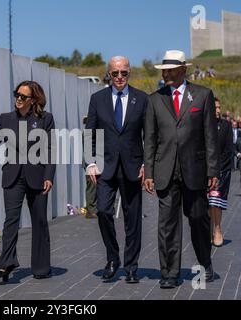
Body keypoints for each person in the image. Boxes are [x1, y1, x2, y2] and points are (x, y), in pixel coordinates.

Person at [144, 50, 219, 289]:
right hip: (165, 171)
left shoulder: (203, 95)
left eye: (170, 70)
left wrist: (213, 170)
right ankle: (169, 273)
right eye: (163, 70)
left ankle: (205, 262)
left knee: (198, 218)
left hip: (195, 170)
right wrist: (149, 172)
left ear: (183, 70)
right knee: (167, 224)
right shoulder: (154, 100)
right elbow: (151, 140)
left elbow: (210, 136)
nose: (165, 74)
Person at [0, 80, 55, 281]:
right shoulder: (6, 118)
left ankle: (42, 267)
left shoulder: (45, 119)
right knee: (11, 221)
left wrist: (49, 177)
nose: (18, 99)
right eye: (16, 94)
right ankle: (6, 263)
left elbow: (51, 150)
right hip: (13, 177)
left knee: (40, 221)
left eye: (23, 96)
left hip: (38, 177)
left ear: (33, 100)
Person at [86, 56, 147, 284]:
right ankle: (113, 258)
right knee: (102, 211)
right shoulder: (97, 99)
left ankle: (131, 266)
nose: (120, 77)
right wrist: (90, 162)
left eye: (124, 73)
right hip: (105, 167)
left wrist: (146, 164)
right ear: (108, 74)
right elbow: (89, 133)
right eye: (115, 73)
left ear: (129, 72)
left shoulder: (141, 99)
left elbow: (148, 135)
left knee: (133, 220)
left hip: (133, 168)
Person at [208, 98, 233, 247]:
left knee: (216, 202)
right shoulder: (202, 125)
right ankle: (209, 230)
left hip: (222, 171)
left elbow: (228, 150)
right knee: (207, 203)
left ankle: (217, 229)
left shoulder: (226, 126)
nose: (218, 110)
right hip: (204, 171)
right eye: (214, 107)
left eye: (219, 107)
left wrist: (216, 169)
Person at [82, 116, 98, 219]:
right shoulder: (88, 132)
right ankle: (91, 210)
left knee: (93, 186)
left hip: (95, 161)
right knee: (91, 186)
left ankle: (93, 208)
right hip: (90, 162)